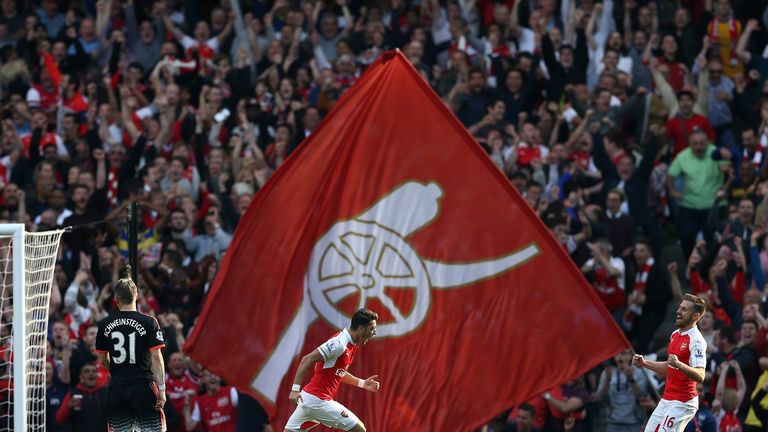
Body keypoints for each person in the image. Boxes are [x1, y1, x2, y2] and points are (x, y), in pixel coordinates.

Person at [284, 308, 380, 432]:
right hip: (318, 401)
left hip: (309, 399)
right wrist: (294, 390)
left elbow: (338, 372)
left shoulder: (350, 344)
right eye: (371, 329)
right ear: (361, 329)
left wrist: (362, 383)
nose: (374, 332)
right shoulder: (339, 344)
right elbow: (307, 359)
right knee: (360, 430)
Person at [95, 266, 167, 431]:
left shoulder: (105, 324)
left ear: (116, 299)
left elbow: (102, 359)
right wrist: (161, 389)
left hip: (118, 388)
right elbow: (156, 357)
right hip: (143, 387)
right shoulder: (150, 322)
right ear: (137, 296)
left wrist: (115, 370)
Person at [632, 294, 708, 432]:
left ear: (695, 316)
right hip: (667, 398)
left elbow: (701, 375)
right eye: (679, 307)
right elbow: (669, 366)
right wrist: (644, 363)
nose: (678, 311)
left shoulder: (696, 341)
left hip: (683, 402)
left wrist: (679, 365)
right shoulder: (675, 334)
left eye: (684, 309)